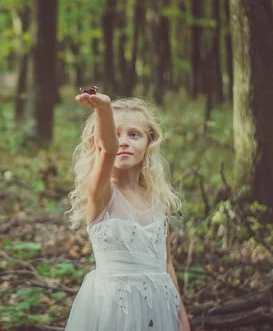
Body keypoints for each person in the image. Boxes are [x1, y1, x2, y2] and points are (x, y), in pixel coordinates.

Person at [64, 93, 191, 331]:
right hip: (114, 310)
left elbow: (166, 265)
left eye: (134, 135)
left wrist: (181, 317)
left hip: (158, 309)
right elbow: (108, 151)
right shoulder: (101, 193)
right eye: (116, 133)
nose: (123, 142)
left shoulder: (157, 199)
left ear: (148, 142)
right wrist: (103, 109)